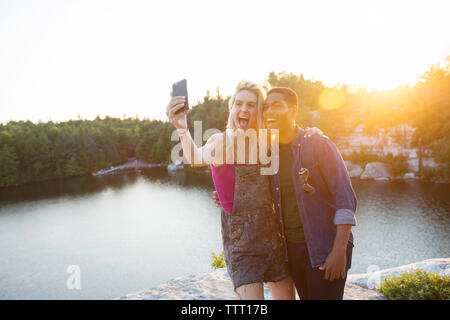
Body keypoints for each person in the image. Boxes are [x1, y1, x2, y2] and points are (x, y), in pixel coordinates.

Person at [166, 80, 297, 300]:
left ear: (259, 111)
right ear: (232, 108)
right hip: (242, 247)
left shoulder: (268, 142)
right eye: (239, 104)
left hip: (274, 241)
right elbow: (195, 158)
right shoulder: (221, 142)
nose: (244, 109)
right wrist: (181, 127)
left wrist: (311, 132)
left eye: (251, 105)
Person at [262, 87, 357, 300]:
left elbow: (345, 200)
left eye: (276, 105)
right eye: (266, 107)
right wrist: (222, 194)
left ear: (293, 110)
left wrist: (339, 251)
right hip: (292, 252)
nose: (269, 111)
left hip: (325, 248)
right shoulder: (269, 153)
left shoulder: (318, 144)